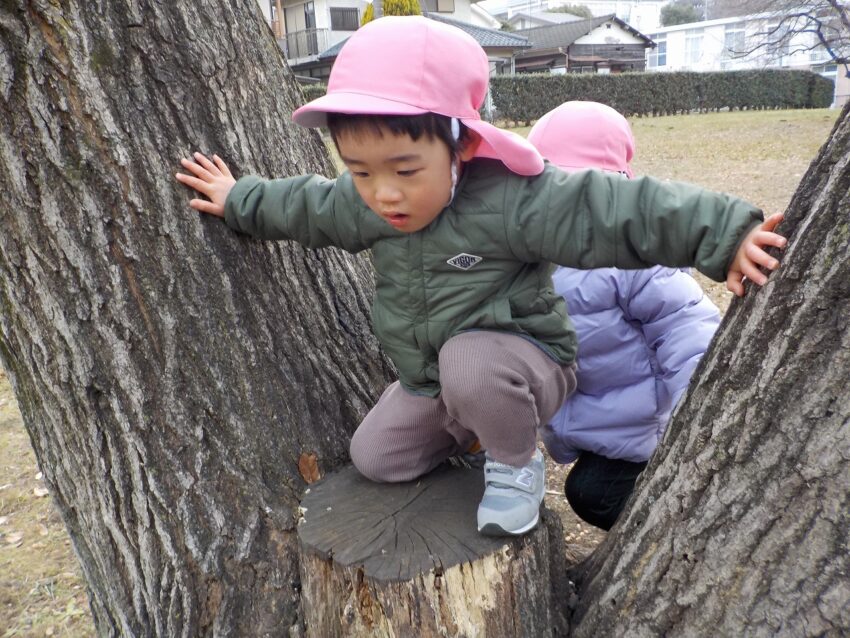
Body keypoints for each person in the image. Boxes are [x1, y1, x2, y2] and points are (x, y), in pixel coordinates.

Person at [175, 16, 785, 537]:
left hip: (529, 360)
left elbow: (615, 208)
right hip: (434, 376)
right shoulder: (367, 202)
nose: (384, 193)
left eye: (406, 169)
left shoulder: (513, 199)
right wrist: (238, 198)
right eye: (361, 172)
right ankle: (471, 428)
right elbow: (304, 204)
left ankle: (516, 464)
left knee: (472, 361)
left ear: (461, 144)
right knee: (377, 458)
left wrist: (726, 236)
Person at [528, 101, 723, 531]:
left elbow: (686, 326)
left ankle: (683, 537)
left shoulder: (633, 260)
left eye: (578, 193)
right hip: (604, 427)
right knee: (590, 488)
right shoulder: (530, 259)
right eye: (543, 189)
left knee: (593, 493)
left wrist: (692, 419)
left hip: (649, 428)